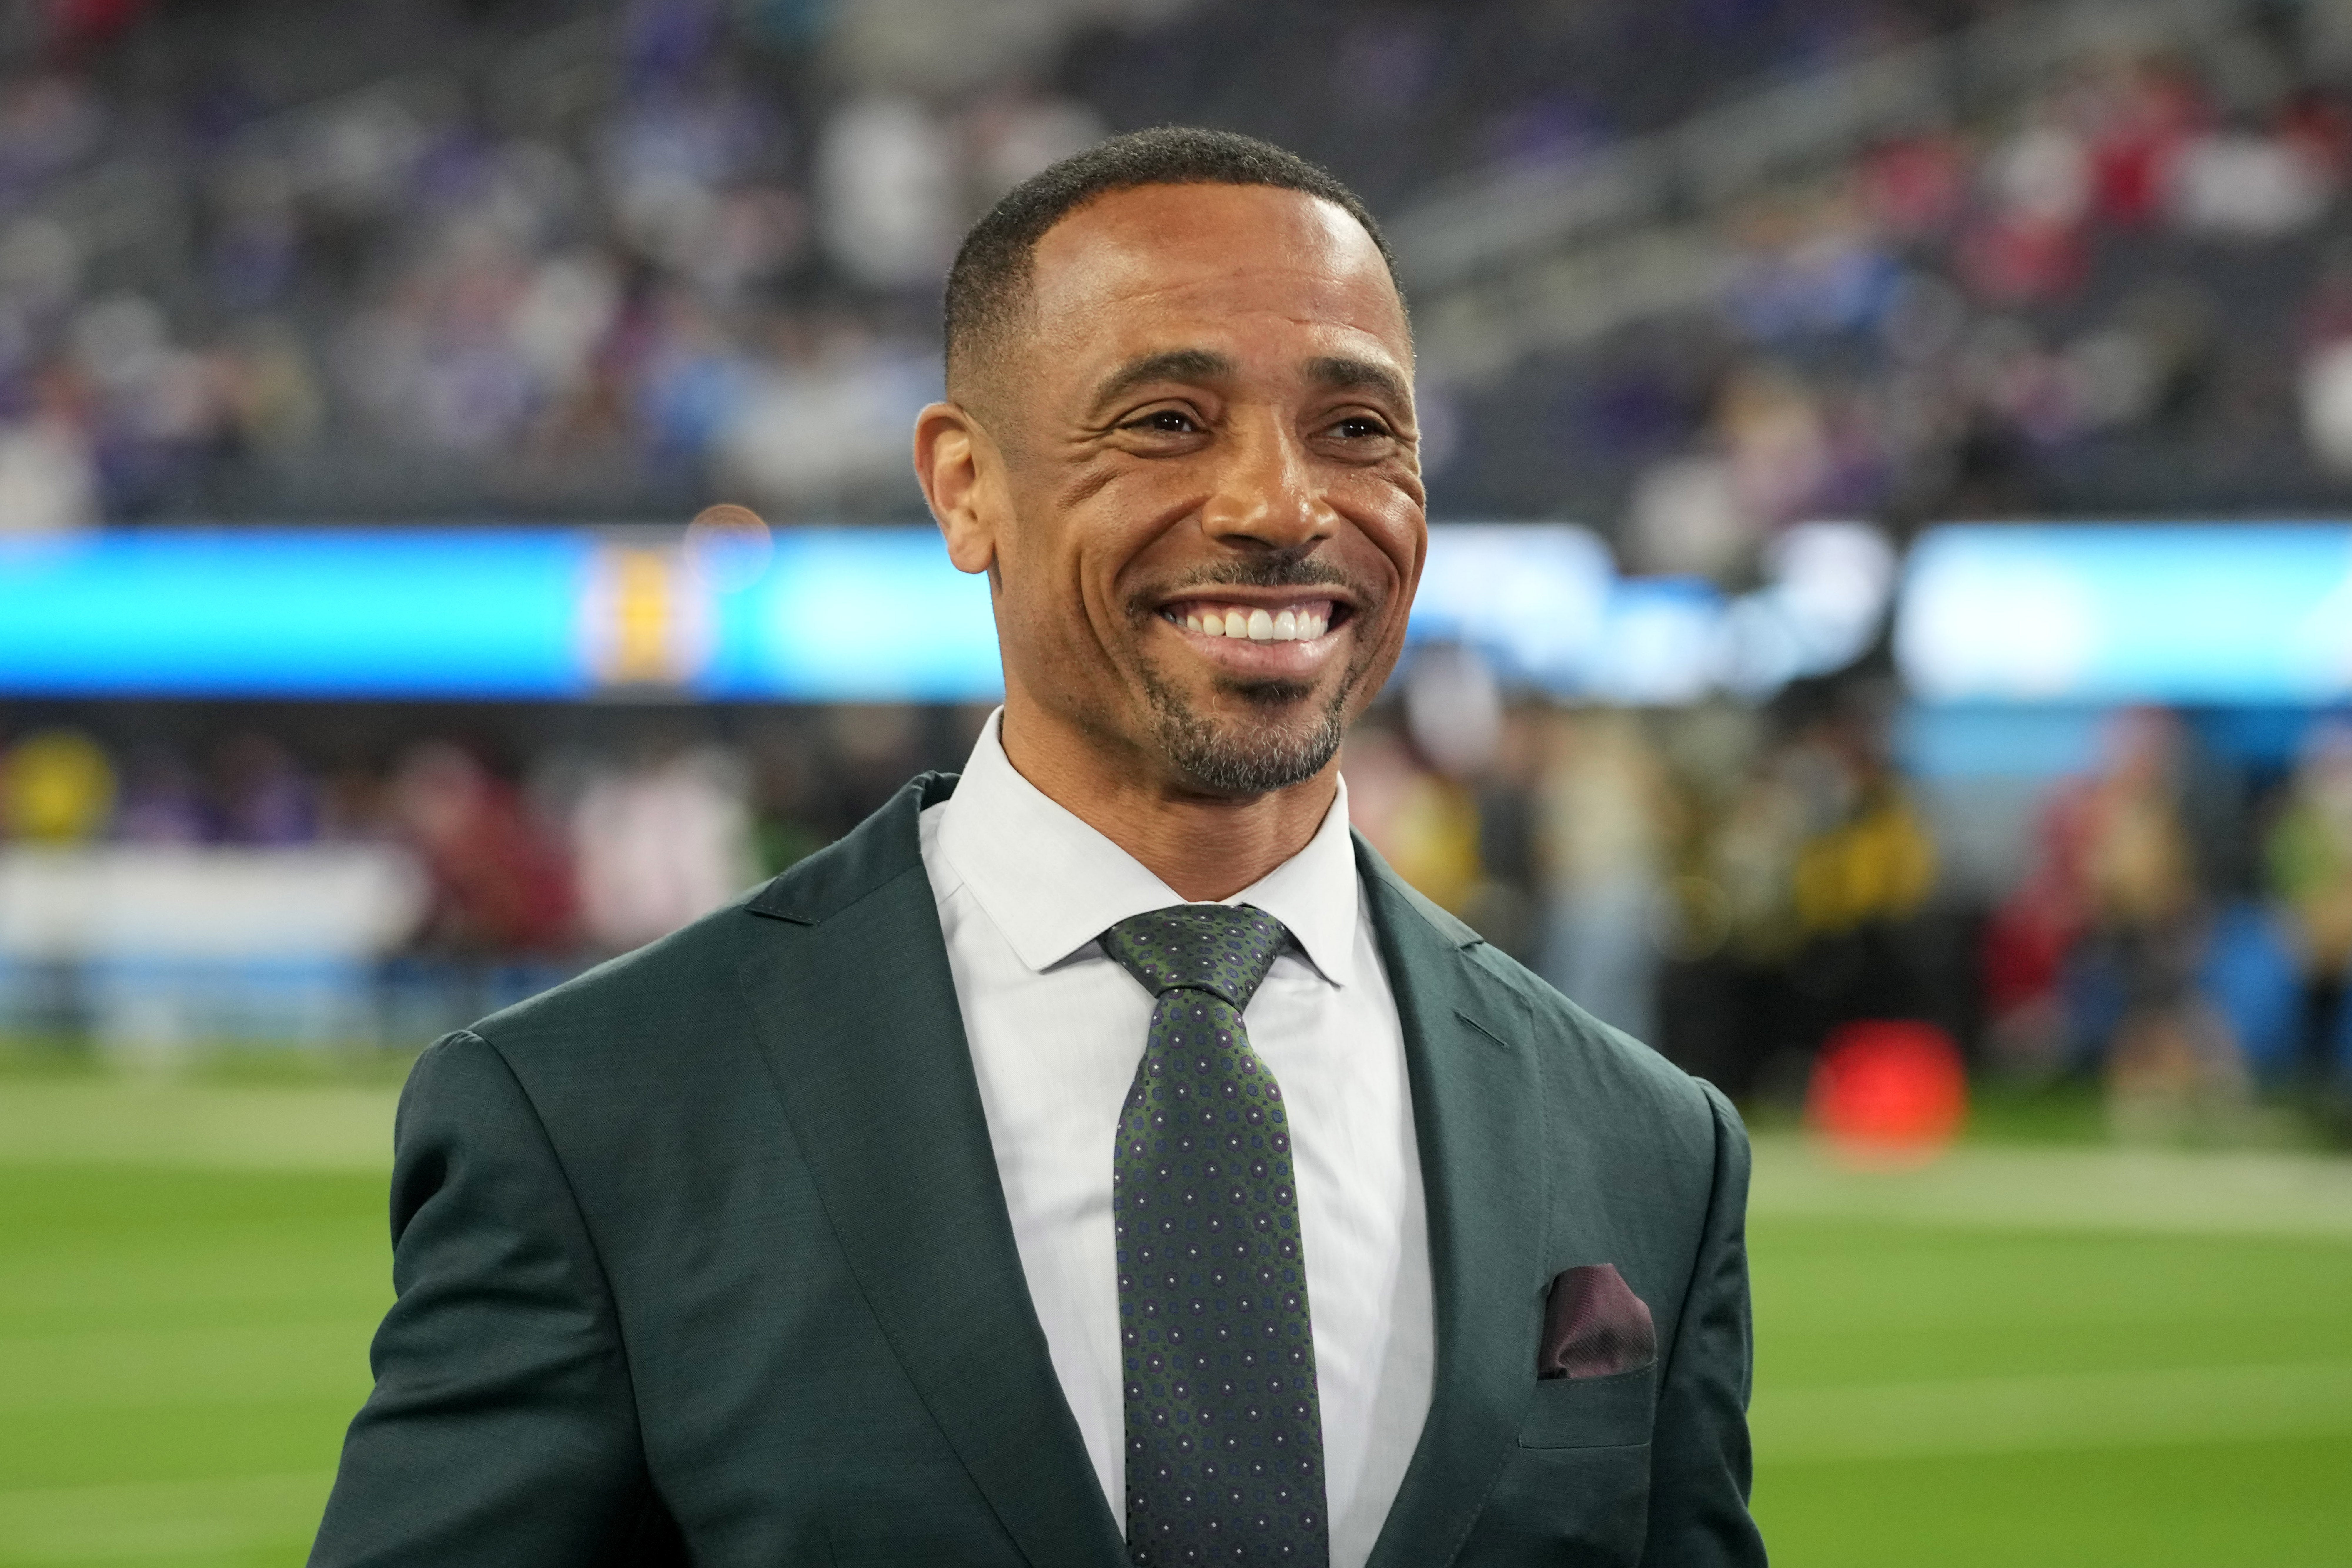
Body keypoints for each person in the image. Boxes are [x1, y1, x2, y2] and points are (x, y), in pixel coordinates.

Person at [311, 128, 1764, 1568]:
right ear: (965, 485)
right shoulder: (594, 1112)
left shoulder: (1649, 1145)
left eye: (1358, 430)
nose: (1281, 503)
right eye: (1169, 421)